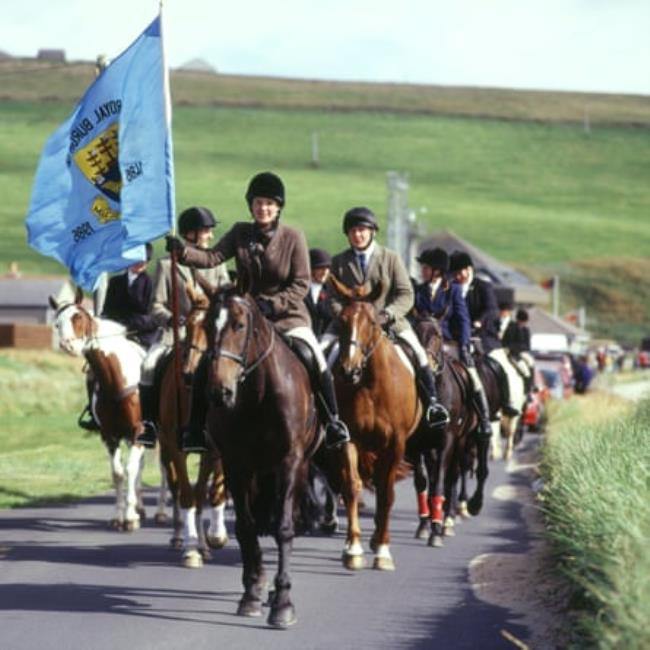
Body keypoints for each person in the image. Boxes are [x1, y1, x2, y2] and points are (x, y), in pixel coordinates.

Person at [165, 171, 350, 451]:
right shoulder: (240, 232)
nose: (263, 208)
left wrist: (272, 305)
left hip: (288, 316)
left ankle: (333, 421)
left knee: (314, 357)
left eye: (269, 204)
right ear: (250, 206)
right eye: (258, 203)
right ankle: (196, 429)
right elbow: (213, 257)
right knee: (210, 359)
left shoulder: (293, 237)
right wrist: (184, 252)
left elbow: (300, 283)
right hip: (246, 318)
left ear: (278, 208)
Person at [324, 207, 449, 428]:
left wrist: (388, 314)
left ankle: (432, 404)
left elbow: (406, 294)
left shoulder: (390, 258)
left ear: (372, 232)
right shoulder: (339, 261)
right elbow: (331, 298)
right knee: (321, 356)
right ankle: (322, 412)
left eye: (362, 230)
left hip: (389, 322)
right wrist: (345, 315)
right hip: (349, 326)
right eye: (353, 231)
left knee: (419, 354)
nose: (358, 235)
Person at [136, 206, 230, 448]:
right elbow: (155, 305)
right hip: (173, 334)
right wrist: (173, 320)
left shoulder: (217, 264)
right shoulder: (167, 266)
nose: (210, 236)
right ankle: (149, 424)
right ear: (190, 233)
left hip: (208, 335)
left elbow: (227, 300)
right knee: (148, 365)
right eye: (206, 231)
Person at [78, 243, 158, 432]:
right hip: (116, 339)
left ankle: (151, 414)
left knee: (151, 369)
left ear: (147, 262)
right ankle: (93, 410)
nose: (138, 263)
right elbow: (106, 313)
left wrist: (127, 325)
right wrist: (110, 326)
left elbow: (154, 317)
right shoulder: (115, 283)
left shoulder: (152, 283)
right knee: (93, 368)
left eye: (142, 260)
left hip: (142, 338)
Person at [413, 247, 492, 437]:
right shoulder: (418, 290)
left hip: (449, 342)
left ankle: (483, 418)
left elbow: (463, 319)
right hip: (423, 344)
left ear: (437, 270)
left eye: (425, 267)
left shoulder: (453, 290)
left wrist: (464, 345)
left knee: (472, 375)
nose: (421, 271)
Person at [449, 250, 521, 417]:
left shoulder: (483, 287)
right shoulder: (452, 288)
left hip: (484, 337)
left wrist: (480, 321)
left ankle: (506, 400)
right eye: (455, 273)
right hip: (458, 337)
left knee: (501, 365)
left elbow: (492, 309)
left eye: (460, 273)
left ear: (469, 269)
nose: (457, 276)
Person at [502, 307, 535, 392]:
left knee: (530, 362)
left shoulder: (525, 330)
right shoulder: (510, 328)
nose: (522, 323)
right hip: (510, 353)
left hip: (521, 353)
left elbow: (527, 346)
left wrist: (519, 348)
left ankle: (530, 386)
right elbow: (505, 343)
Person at [305, 248, 335, 337]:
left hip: (327, 337)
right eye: (320, 268)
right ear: (310, 269)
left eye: (327, 268)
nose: (325, 272)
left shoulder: (332, 291)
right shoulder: (301, 290)